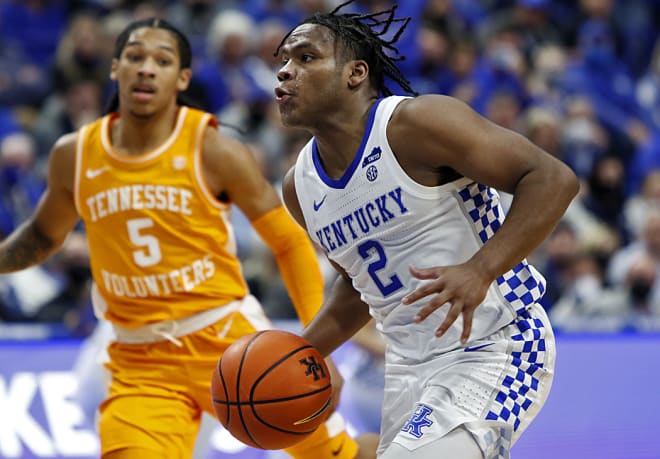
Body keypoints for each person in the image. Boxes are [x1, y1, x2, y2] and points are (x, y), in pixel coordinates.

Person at [0, 17, 377, 459]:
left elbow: (289, 242)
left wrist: (318, 350)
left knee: (337, 456)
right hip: (139, 359)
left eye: (162, 61)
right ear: (115, 68)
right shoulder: (74, 154)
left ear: (181, 78)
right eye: (135, 57)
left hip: (226, 340)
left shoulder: (211, 147)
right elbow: (42, 238)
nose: (146, 68)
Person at [274, 2, 579, 458]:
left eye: (305, 58)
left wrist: (480, 270)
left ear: (355, 73)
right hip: (406, 370)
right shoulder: (300, 186)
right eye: (282, 61)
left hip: (496, 345)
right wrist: (301, 351)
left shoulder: (416, 124)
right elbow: (359, 288)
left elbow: (553, 179)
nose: (284, 73)